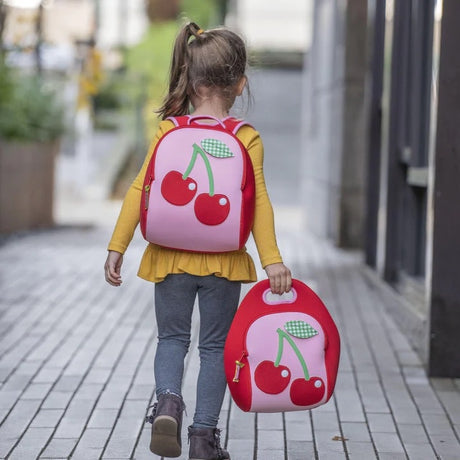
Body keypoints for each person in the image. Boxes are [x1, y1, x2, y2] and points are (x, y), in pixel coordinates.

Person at [104, 22, 292, 460]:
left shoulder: (169, 131)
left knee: (171, 339)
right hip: (224, 262)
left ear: (188, 79)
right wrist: (272, 262)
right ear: (240, 84)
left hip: (169, 258)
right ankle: (204, 438)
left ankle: (167, 401)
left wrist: (118, 245)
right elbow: (259, 202)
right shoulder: (246, 138)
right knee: (214, 349)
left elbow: (139, 188)